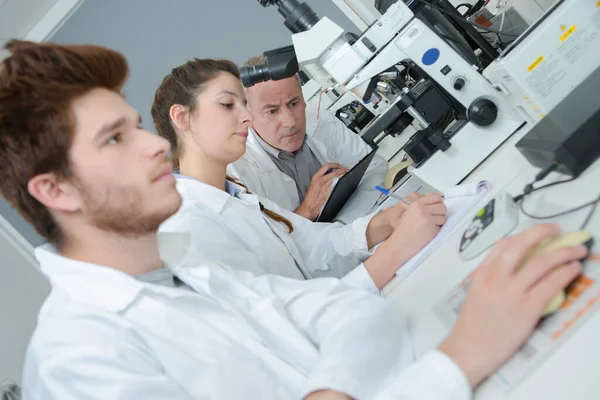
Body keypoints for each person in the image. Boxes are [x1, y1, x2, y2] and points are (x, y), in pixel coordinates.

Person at [2, 40, 586, 400]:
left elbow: (349, 312)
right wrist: (461, 357)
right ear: (56, 190)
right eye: (115, 139)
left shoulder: (186, 278)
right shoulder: (80, 361)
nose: (154, 147)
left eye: (134, 126)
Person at [151, 58, 446, 291]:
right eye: (228, 104)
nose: (246, 116)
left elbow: (312, 247)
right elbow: (285, 318)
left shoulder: (237, 193)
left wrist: (385, 222)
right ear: (182, 118)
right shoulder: (186, 227)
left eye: (243, 104)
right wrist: (394, 252)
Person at [227, 53, 389, 221]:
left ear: (303, 99)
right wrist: (308, 209)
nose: (290, 122)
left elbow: (374, 168)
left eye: (293, 103)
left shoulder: (317, 117)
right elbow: (269, 243)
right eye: (272, 111)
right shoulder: (239, 169)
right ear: (247, 116)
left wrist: (346, 224)